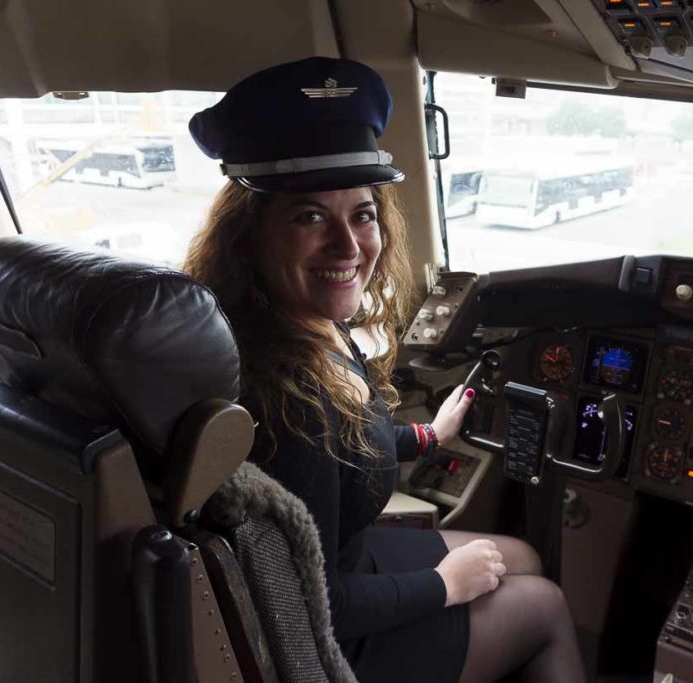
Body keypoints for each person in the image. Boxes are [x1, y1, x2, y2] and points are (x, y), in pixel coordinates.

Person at [182, 57, 584, 683]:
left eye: (362, 214)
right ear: (248, 238)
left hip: (344, 558)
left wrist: (429, 434)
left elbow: (353, 443)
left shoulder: (306, 325)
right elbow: (314, 609)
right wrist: (443, 587)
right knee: (545, 605)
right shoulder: (289, 402)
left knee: (522, 555)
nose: (348, 246)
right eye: (310, 216)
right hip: (328, 639)